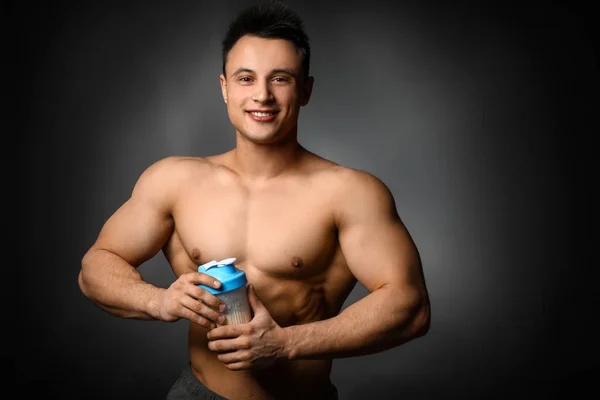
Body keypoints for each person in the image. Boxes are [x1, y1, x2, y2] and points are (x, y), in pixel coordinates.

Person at [78, 1, 431, 399]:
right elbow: (96, 266)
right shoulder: (173, 180)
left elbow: (410, 305)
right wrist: (158, 300)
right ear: (225, 87)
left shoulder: (350, 193)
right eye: (246, 78)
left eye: (280, 79)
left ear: (306, 89)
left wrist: (285, 344)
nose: (262, 95)